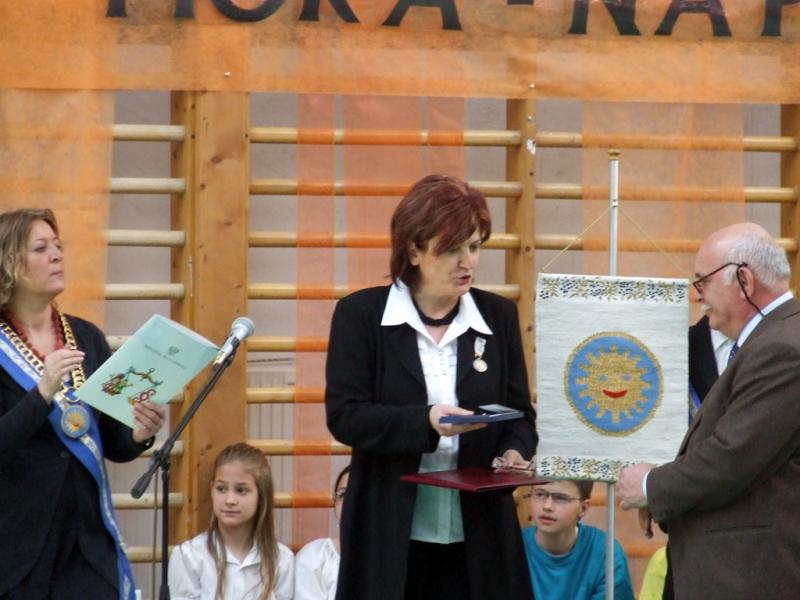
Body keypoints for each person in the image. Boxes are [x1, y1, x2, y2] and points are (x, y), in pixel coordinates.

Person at [325, 174, 537, 600]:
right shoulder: (360, 315)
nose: (467, 262)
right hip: (390, 535)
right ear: (414, 251)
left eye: (474, 247)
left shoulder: (498, 316)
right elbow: (346, 417)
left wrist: (515, 451)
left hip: (480, 536)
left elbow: (520, 416)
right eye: (452, 249)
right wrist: (426, 422)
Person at [617, 222, 800, 598]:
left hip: (747, 574)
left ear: (744, 280)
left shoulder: (782, 348)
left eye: (703, 282)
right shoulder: (774, 338)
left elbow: (732, 457)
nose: (696, 295)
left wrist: (651, 485)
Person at [0, 208, 166, 600]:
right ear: (9, 263)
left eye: (58, 246)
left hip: (88, 547)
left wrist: (139, 433)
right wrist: (42, 393)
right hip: (18, 549)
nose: (56, 255)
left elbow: (114, 442)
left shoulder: (87, 337)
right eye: (41, 248)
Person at [168, 442, 294, 600]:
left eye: (241, 490)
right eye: (221, 489)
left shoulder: (281, 559)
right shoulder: (189, 556)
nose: (230, 500)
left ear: (261, 496)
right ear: (212, 490)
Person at [521, 479, 634, 600]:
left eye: (561, 498)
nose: (547, 506)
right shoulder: (513, 546)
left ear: (583, 508)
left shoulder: (607, 553)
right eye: (540, 494)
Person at [294, 465, 349, 600]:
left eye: (362, 495)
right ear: (334, 502)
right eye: (343, 495)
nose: (351, 503)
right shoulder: (314, 557)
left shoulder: (393, 558)